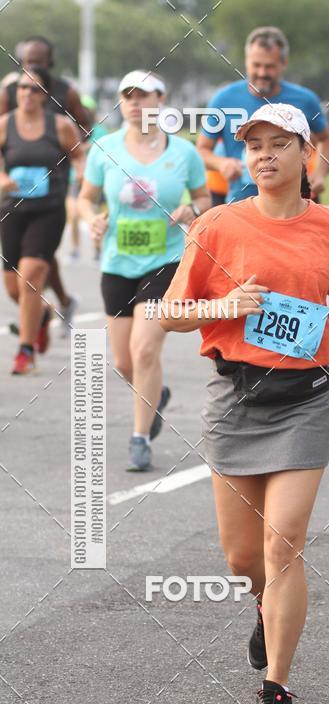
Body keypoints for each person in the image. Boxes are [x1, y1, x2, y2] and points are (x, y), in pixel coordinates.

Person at [160, 103, 329, 704]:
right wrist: (224, 303)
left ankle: (277, 687)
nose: (264, 154)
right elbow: (171, 314)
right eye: (253, 143)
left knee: (283, 542)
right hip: (234, 400)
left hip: (306, 399)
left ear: (305, 153)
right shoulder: (216, 226)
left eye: (279, 143)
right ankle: (264, 605)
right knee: (242, 557)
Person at [78, 71, 210, 472]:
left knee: (145, 349)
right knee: (123, 362)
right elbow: (85, 199)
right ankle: (156, 395)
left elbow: (204, 196)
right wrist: (92, 221)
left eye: (144, 96)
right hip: (118, 264)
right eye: (128, 97)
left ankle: (139, 437)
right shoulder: (105, 147)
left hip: (165, 262)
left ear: (161, 99)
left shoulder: (184, 152)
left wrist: (194, 209)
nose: (136, 104)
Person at [1, 36, 90, 327]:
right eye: (28, 61)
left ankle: (41, 318)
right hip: (15, 186)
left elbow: (85, 122)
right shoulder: (9, 89)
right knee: (35, 259)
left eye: (39, 61)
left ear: (49, 63)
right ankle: (57, 305)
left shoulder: (65, 90)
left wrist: (76, 155)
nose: (33, 66)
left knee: (38, 256)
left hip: (53, 180)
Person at [196, 26, 329, 204]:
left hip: (297, 204)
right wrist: (221, 164)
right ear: (247, 61)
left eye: (269, 66)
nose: (262, 73)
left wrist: (320, 174)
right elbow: (202, 150)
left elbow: (328, 139)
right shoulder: (223, 99)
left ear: (283, 63)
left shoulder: (305, 100)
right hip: (242, 204)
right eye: (256, 65)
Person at [66, 95, 108, 263]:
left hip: (95, 181)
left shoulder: (100, 131)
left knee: (95, 216)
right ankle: (75, 249)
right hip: (74, 180)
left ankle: (97, 249)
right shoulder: (69, 128)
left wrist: (84, 147)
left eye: (86, 109)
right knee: (73, 215)